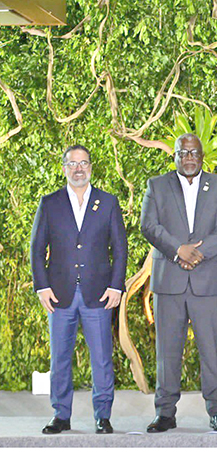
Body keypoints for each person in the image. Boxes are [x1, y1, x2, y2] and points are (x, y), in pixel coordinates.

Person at [140, 133, 217, 433]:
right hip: (169, 280)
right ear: (175, 156)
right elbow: (149, 225)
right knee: (168, 351)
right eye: (183, 153)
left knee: (212, 349)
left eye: (194, 152)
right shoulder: (156, 185)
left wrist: (200, 252)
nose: (189, 158)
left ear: (202, 155)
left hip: (207, 280)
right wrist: (177, 250)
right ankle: (165, 413)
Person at [31, 145, 128, 435]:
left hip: (98, 293)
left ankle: (103, 416)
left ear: (90, 167)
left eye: (83, 163)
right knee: (59, 357)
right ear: (64, 168)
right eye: (72, 163)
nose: (78, 168)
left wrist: (116, 285)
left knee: (101, 357)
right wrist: (42, 286)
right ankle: (61, 415)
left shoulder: (108, 202)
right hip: (59, 294)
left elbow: (120, 248)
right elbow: (37, 250)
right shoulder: (49, 203)